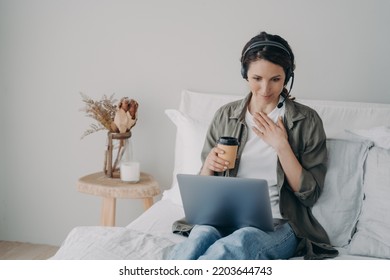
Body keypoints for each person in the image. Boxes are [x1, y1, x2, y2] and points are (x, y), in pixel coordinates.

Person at [167, 31, 338, 260]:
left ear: (287, 77)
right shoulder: (225, 116)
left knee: (236, 244)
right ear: (244, 74)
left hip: (279, 225)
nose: (265, 89)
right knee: (199, 237)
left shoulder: (306, 121)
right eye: (257, 78)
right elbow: (204, 191)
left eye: (275, 79)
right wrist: (209, 165)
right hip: (223, 218)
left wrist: (282, 146)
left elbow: (309, 195)